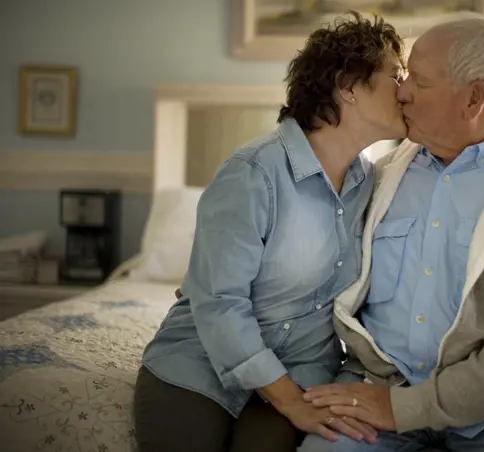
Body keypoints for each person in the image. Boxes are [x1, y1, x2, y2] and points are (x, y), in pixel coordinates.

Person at [299, 12, 484, 452]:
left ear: (474, 99)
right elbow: (317, 260)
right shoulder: (382, 175)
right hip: (382, 388)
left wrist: (408, 409)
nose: (400, 92)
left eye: (418, 81)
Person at [133, 12, 407, 452]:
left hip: (303, 368)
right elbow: (219, 303)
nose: (406, 89)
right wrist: (289, 402)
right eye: (396, 75)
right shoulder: (253, 173)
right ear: (349, 87)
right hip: (199, 361)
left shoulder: (373, 184)